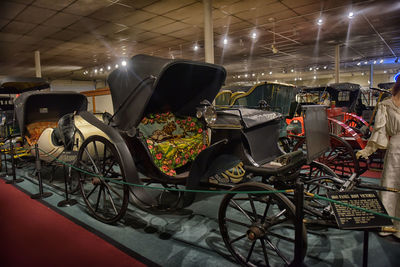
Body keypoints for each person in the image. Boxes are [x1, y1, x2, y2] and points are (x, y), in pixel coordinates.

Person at [356, 78, 400, 238]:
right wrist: (368, 150)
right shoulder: (386, 105)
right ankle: (387, 224)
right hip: (396, 150)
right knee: (390, 185)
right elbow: (379, 132)